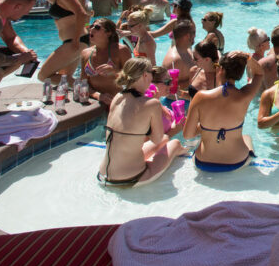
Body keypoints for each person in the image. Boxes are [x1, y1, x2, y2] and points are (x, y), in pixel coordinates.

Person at [98, 58, 185, 187]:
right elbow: (157, 139)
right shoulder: (152, 104)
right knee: (176, 143)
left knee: (159, 143)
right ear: (145, 75)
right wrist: (175, 129)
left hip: (103, 174)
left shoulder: (118, 97)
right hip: (132, 177)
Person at [184, 51, 263, 172]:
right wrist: (248, 58)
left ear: (221, 69)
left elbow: (188, 135)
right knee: (247, 137)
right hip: (236, 161)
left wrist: (204, 127)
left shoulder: (200, 97)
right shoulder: (244, 95)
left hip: (204, 161)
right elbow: (259, 74)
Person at [37, 0, 91, 83]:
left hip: (75, 41)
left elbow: (82, 14)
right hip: (76, 39)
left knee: (43, 76)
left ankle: (88, 89)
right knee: (65, 77)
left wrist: (76, 39)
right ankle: (86, 90)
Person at [80, 18, 132, 106]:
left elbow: (133, 79)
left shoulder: (121, 50)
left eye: (97, 27)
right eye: (91, 26)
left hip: (119, 102)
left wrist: (115, 72)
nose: (91, 29)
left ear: (108, 33)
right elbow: (83, 83)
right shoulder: (85, 53)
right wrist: (98, 95)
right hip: (98, 102)